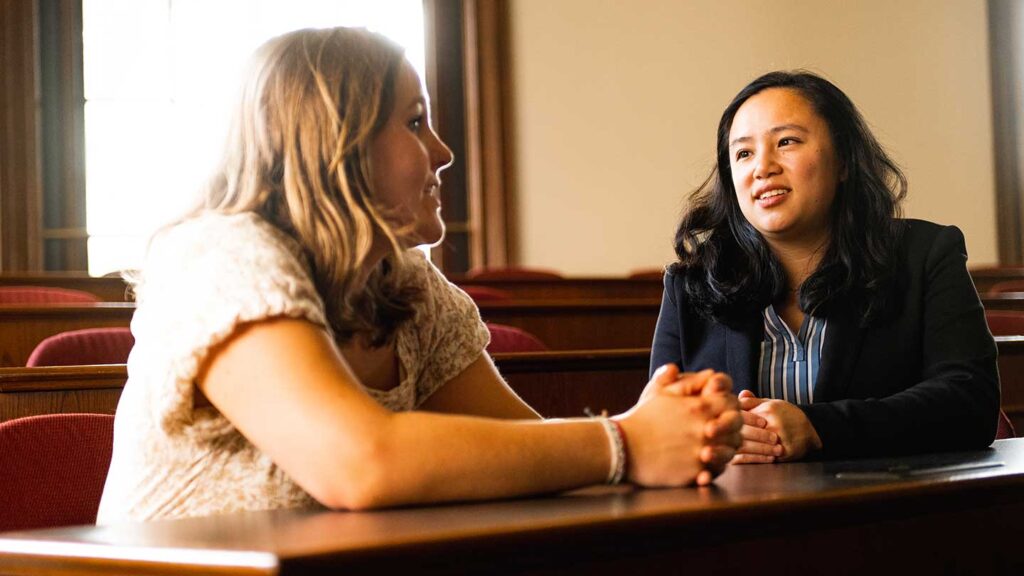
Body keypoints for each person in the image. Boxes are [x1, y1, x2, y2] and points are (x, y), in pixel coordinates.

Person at [96, 27, 741, 524]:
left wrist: (670, 431)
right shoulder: (217, 255)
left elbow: (519, 449)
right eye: (414, 122)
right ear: (335, 141)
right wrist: (625, 442)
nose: (444, 152)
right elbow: (358, 463)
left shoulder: (410, 284)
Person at [650, 70, 999, 464]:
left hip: (886, 512)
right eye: (743, 153)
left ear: (844, 160)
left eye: (786, 142)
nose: (762, 167)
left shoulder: (925, 255)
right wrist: (707, 435)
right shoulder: (690, 285)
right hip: (737, 517)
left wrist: (818, 427)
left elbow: (970, 402)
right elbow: (657, 427)